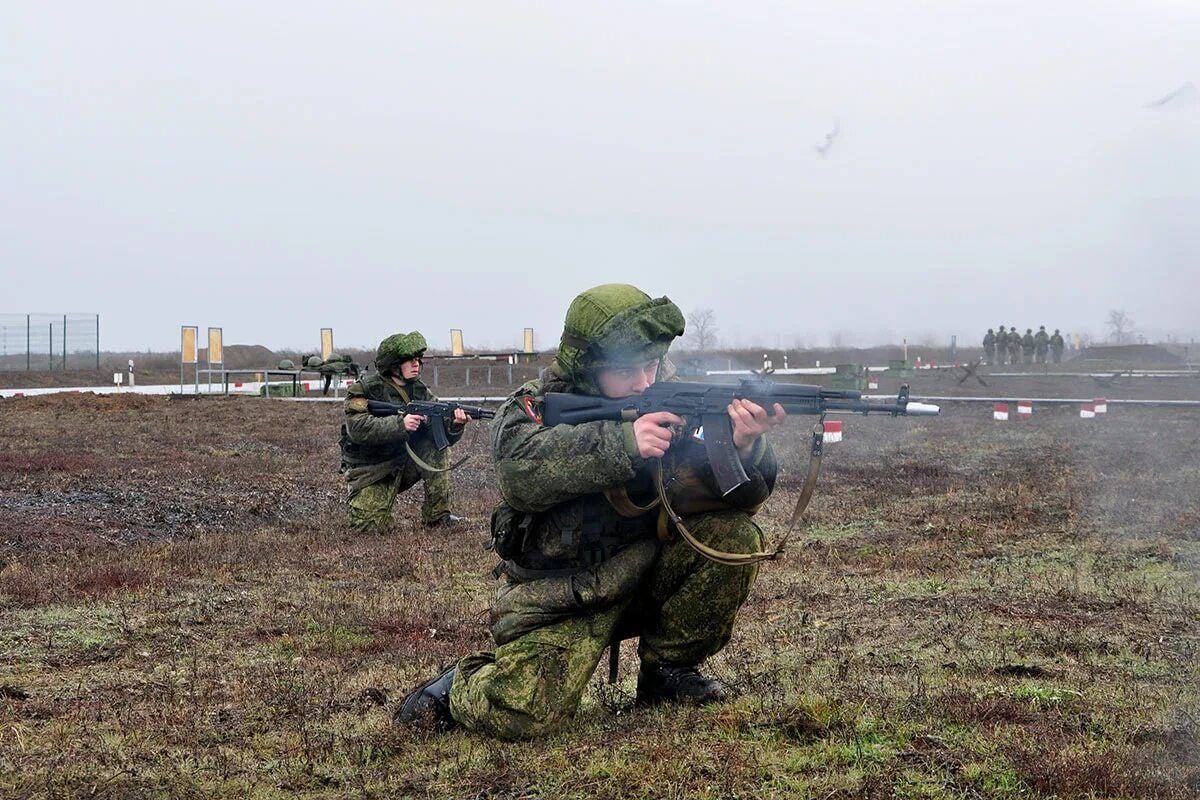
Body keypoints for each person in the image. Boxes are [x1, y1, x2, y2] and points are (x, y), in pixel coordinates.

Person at [396, 284, 785, 739]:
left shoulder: (675, 399)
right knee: (523, 715)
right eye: (626, 371)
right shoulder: (534, 407)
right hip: (563, 598)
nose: (644, 382)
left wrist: (745, 447)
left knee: (733, 538)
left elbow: (741, 499)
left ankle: (669, 674)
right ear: (586, 366)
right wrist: (623, 444)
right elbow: (520, 474)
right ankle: (458, 683)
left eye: (651, 365)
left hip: (644, 572)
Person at [340, 331, 470, 531]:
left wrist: (454, 425)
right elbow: (357, 427)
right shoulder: (364, 389)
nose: (416, 364)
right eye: (409, 360)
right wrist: (401, 425)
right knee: (369, 529)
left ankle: (437, 516)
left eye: (418, 359)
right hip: (371, 470)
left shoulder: (419, 390)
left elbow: (440, 429)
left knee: (437, 446)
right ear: (393, 365)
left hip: (406, 463)